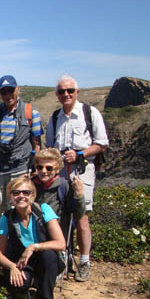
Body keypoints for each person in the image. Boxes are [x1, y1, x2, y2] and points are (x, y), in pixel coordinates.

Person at [45, 75, 109, 282]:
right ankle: (63, 260)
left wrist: (80, 154)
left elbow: (101, 143)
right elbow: (49, 147)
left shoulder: (90, 113)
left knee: (81, 217)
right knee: (61, 216)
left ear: (77, 92)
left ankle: (84, 262)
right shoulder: (55, 117)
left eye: (70, 90)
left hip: (82, 171)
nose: (66, 94)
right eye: (62, 91)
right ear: (57, 94)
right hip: (60, 173)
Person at [0, 75, 43, 242]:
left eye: (11, 90)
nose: (8, 95)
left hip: (19, 170)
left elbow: (37, 144)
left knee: (17, 208)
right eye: (4, 92)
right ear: (0, 94)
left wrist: (32, 168)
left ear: (18, 90)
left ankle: (16, 245)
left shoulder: (31, 113)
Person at [0, 177, 66, 299]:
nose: (21, 196)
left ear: (32, 195)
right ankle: (24, 290)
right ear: (10, 197)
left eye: (26, 192)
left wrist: (33, 247)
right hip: (21, 263)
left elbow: (60, 243)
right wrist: (12, 267)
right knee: (16, 281)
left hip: (45, 260)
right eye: (16, 193)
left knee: (49, 255)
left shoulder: (43, 210)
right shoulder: (6, 218)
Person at [33, 148, 85, 248]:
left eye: (49, 168)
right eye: (40, 167)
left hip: (57, 238)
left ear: (58, 169)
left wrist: (79, 195)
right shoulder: (30, 185)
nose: (44, 171)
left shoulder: (65, 186)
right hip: (34, 236)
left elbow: (78, 214)